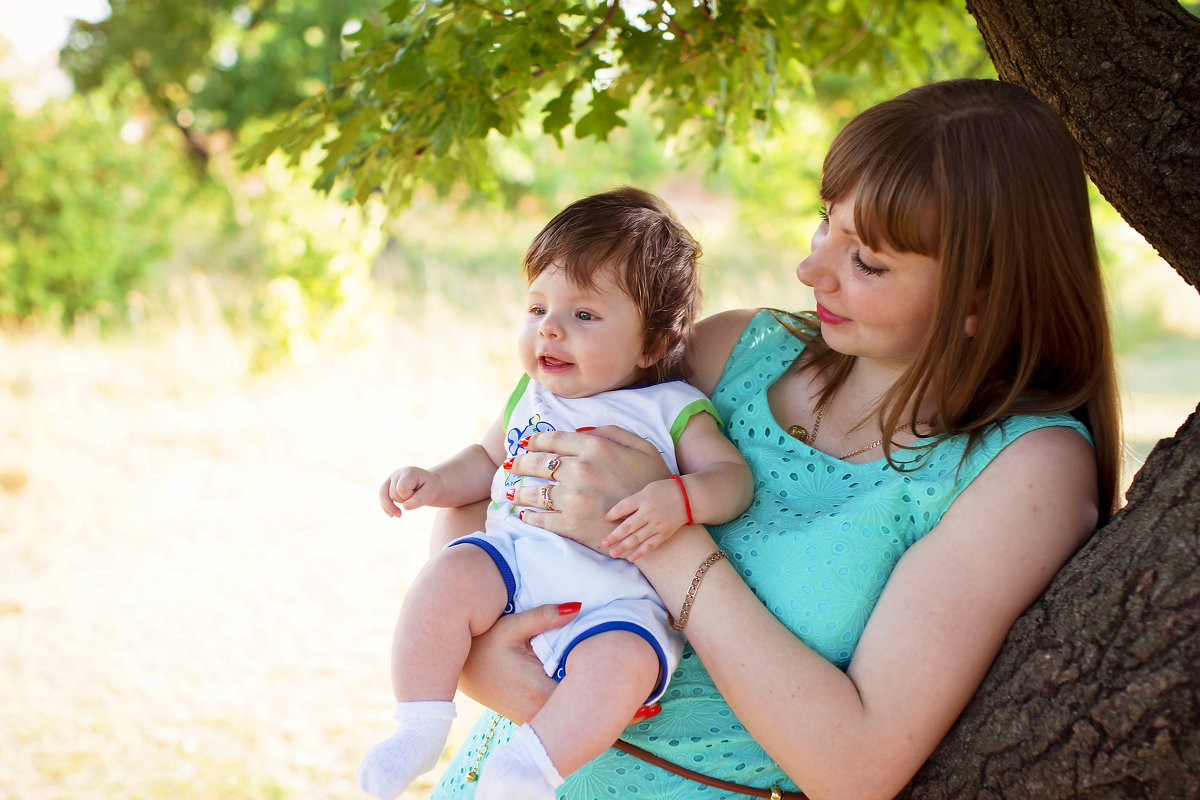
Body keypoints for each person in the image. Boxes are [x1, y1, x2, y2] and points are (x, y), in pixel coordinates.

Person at [427, 79, 1122, 800]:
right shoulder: (728, 351)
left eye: (868, 262)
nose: (811, 268)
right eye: (828, 223)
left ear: (983, 296)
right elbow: (499, 467)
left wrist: (659, 528)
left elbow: (855, 768)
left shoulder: (1028, 469)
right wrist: (468, 651)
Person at [355, 187, 754, 800]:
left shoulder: (668, 408)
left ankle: (528, 773)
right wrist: (436, 481)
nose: (551, 331)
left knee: (626, 664)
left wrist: (680, 499)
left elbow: (733, 479)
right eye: (537, 308)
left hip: (614, 598)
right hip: (515, 566)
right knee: (445, 577)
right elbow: (488, 460)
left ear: (653, 342)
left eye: (584, 316)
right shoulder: (532, 397)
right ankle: (418, 728)